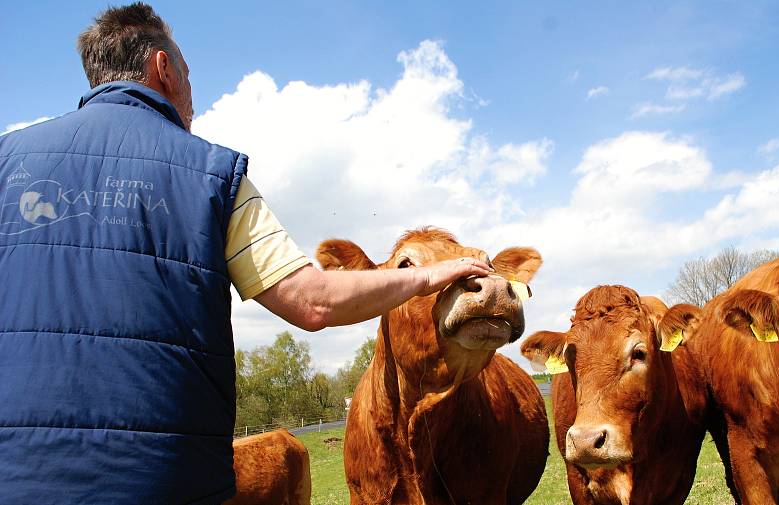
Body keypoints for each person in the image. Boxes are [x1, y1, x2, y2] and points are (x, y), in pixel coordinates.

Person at [0, 3, 492, 504]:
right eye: (189, 75)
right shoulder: (212, 173)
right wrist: (433, 274)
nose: (192, 94)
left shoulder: (6, 161)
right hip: (165, 480)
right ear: (163, 69)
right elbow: (313, 301)